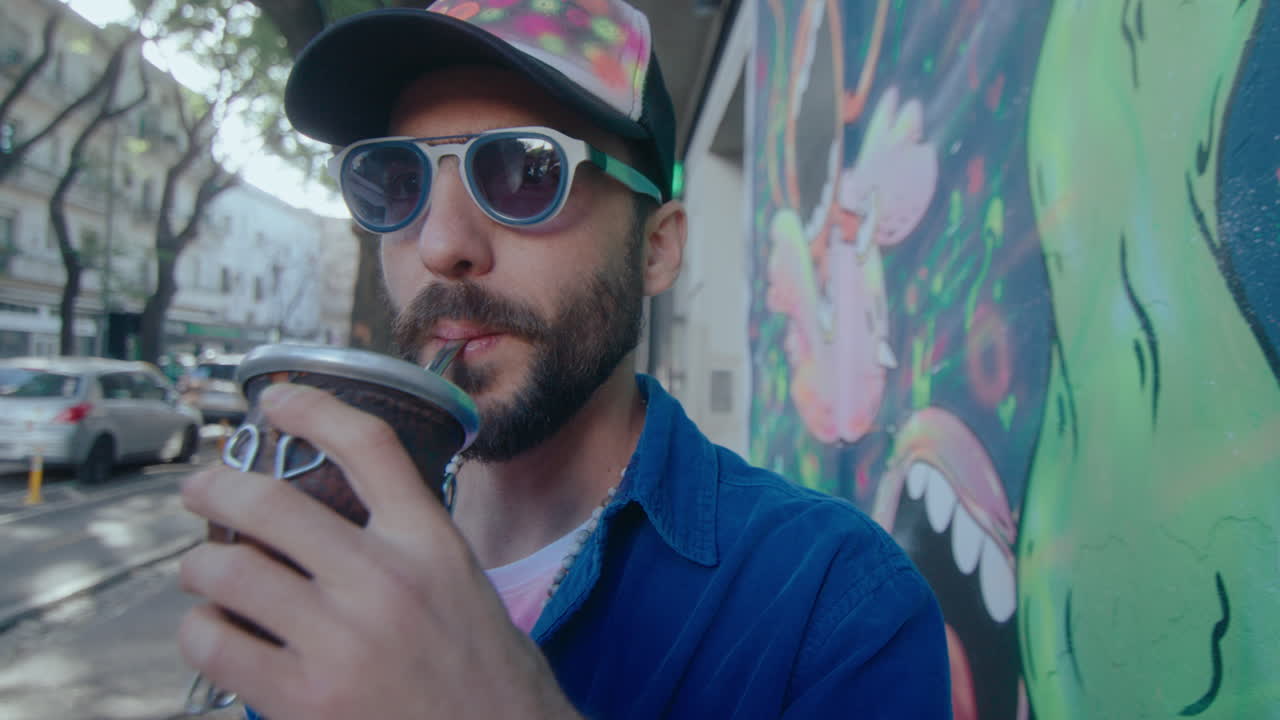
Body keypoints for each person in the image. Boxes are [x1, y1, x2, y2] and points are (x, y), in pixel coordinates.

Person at [175, 1, 952, 718]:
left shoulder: (835, 606)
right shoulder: (336, 541)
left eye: (522, 171)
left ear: (655, 248)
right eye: (398, 182)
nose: (442, 246)